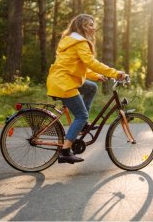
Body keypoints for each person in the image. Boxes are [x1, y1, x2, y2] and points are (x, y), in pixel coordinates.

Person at [46, 14, 127, 164]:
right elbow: (91, 62)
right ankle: (65, 151)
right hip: (64, 83)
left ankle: (82, 125)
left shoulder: (69, 40)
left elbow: (75, 66)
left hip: (60, 78)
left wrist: (96, 76)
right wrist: (115, 73)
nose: (93, 28)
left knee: (91, 87)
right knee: (81, 115)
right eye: (89, 25)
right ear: (81, 26)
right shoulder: (79, 42)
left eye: (93, 24)